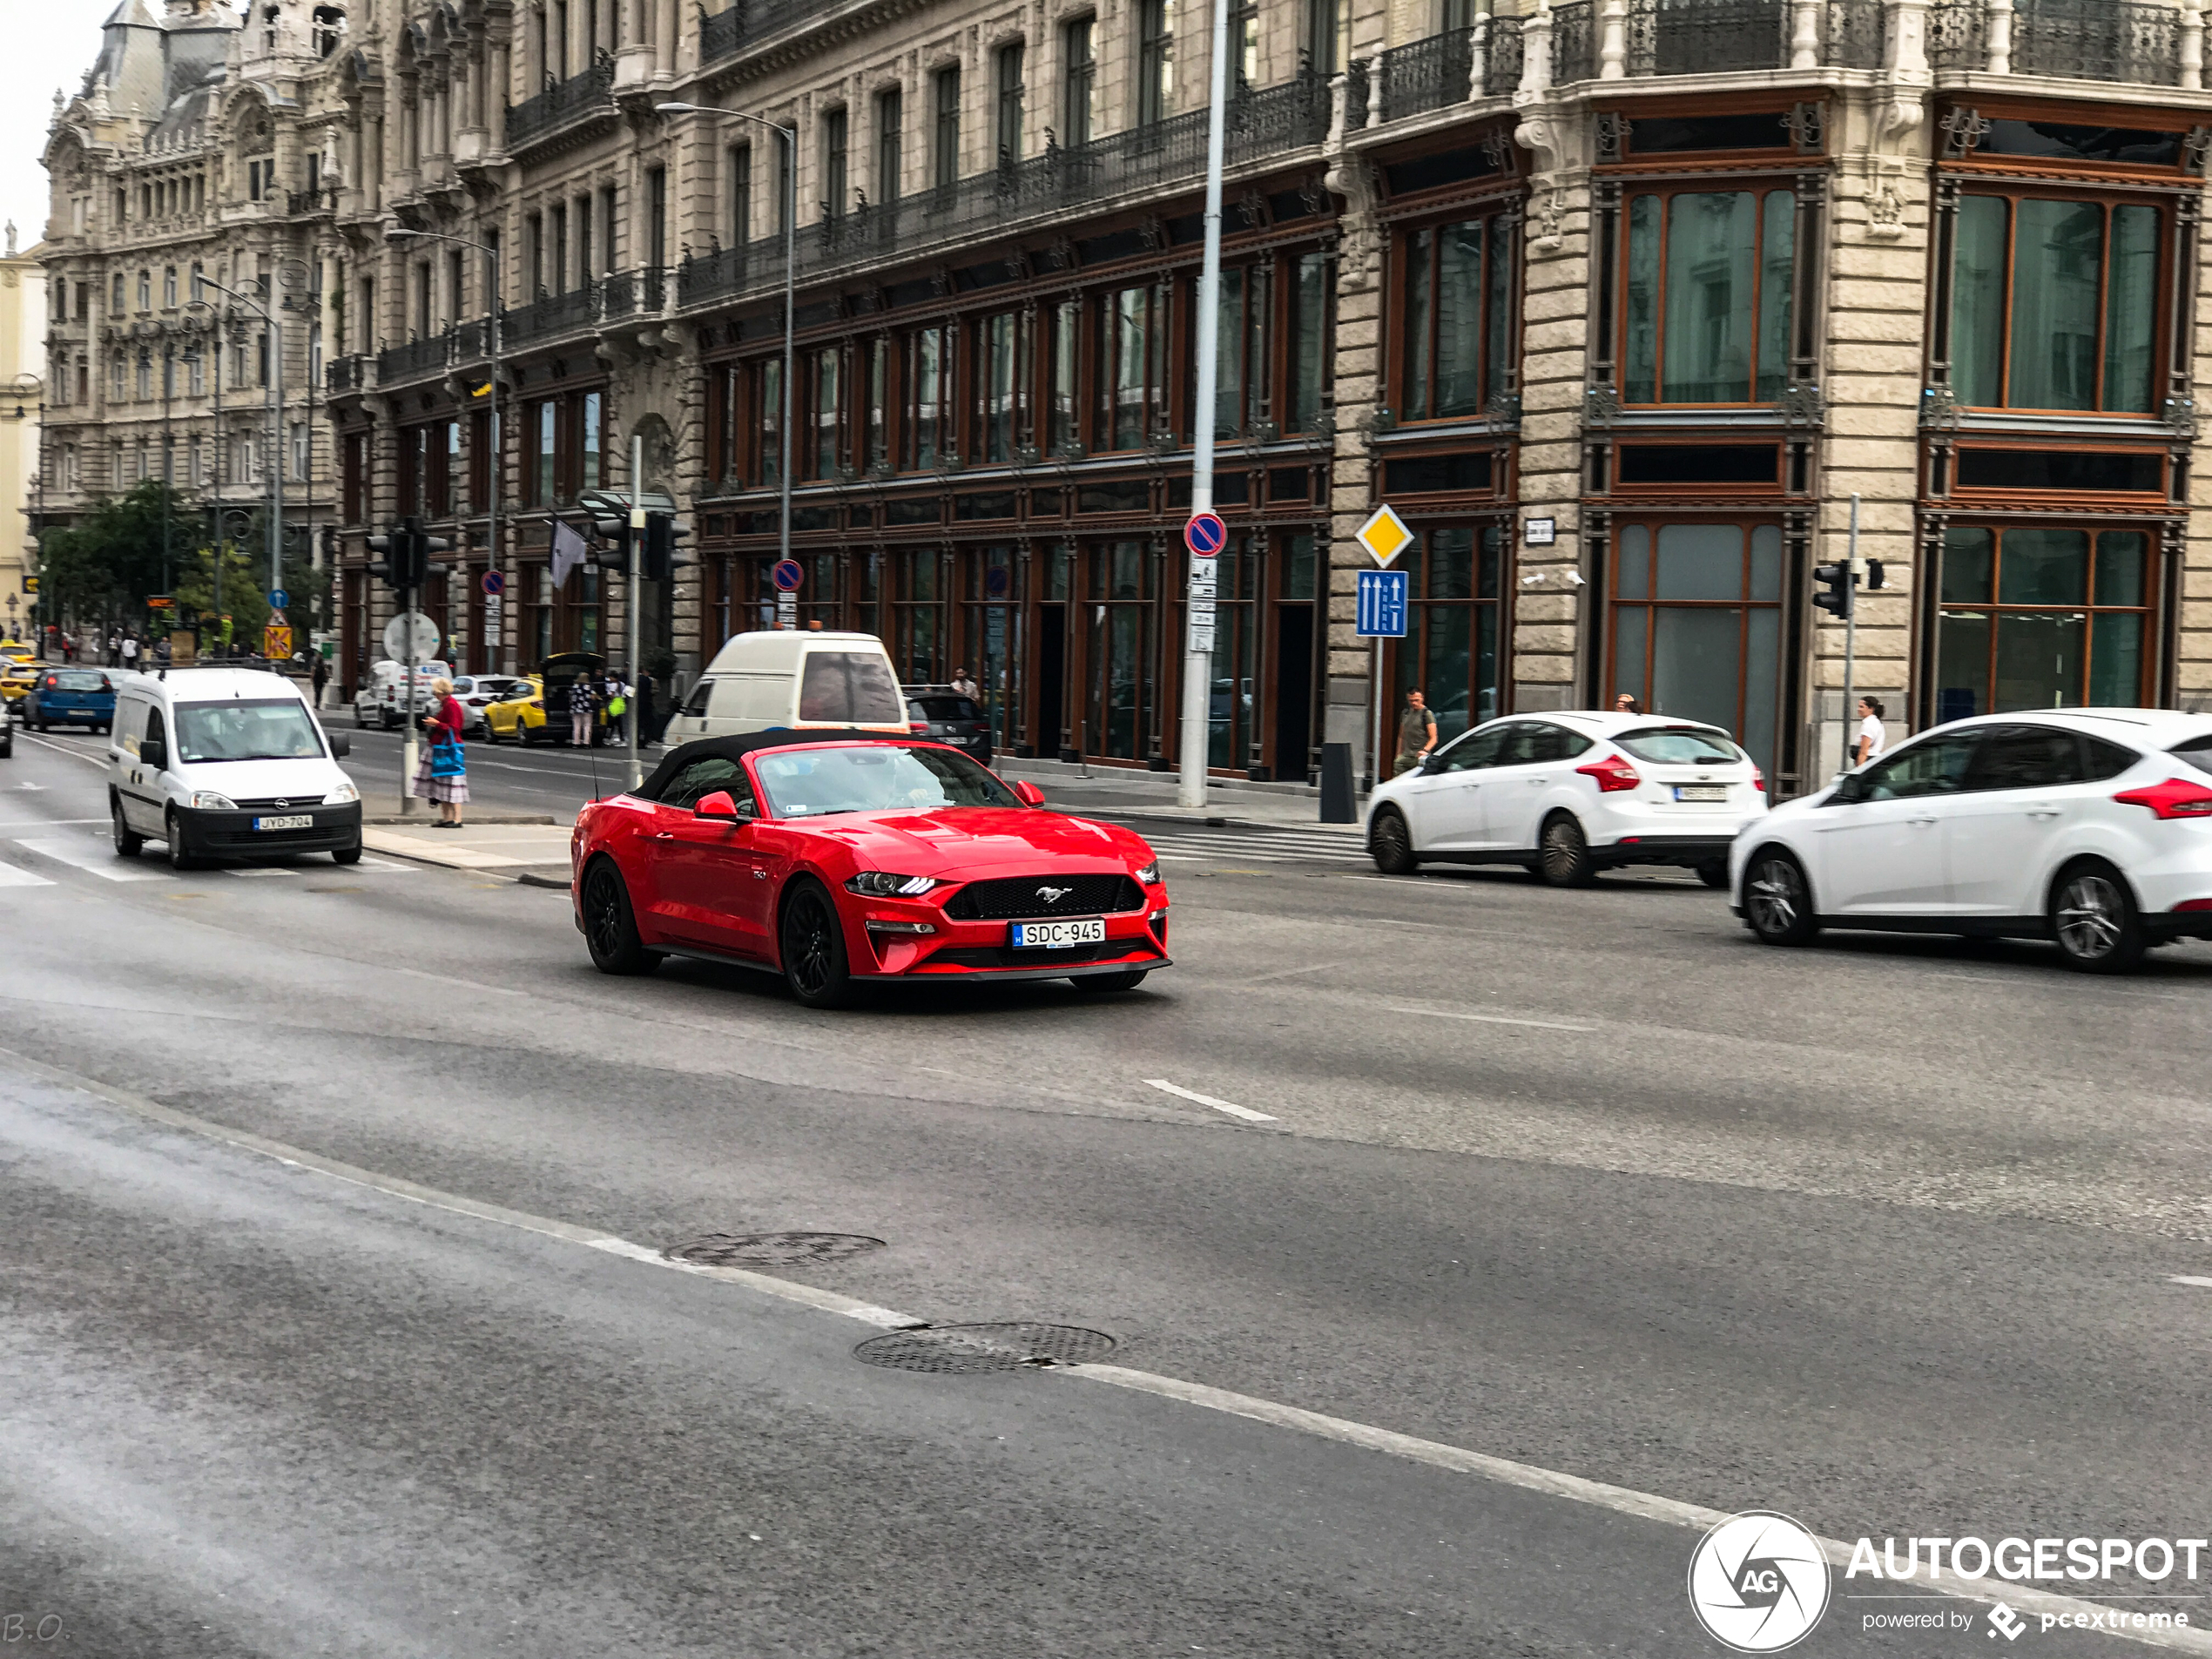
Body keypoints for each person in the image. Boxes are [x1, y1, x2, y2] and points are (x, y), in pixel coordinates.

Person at [414, 676, 470, 826]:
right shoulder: (445, 704)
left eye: (435, 692)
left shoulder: (451, 705)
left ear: (441, 691)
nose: (434, 695)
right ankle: (447, 818)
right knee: (441, 783)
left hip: (448, 749)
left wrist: (437, 723)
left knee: (452, 782)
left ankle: (457, 819)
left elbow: (455, 728)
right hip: (439, 747)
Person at [1393, 688, 1439, 778]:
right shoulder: (1406, 713)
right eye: (1411, 701)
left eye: (1416, 700)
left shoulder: (1426, 714)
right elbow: (1401, 736)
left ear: (1422, 699)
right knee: (1398, 777)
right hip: (1406, 755)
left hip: (1419, 756)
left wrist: (1425, 750)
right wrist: (1398, 753)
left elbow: (1434, 738)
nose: (1414, 703)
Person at [1853, 696, 1887, 767]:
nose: (1858, 709)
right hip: (1874, 760)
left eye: (1862, 707)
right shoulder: (1876, 722)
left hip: (1868, 760)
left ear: (1871, 709)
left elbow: (1864, 750)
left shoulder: (1869, 725)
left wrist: (1859, 769)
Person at [567, 672, 597, 747]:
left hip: (576, 708)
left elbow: (571, 697)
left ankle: (576, 743)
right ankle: (586, 743)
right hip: (587, 709)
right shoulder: (589, 687)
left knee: (577, 726)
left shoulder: (575, 686)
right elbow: (593, 697)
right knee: (587, 726)